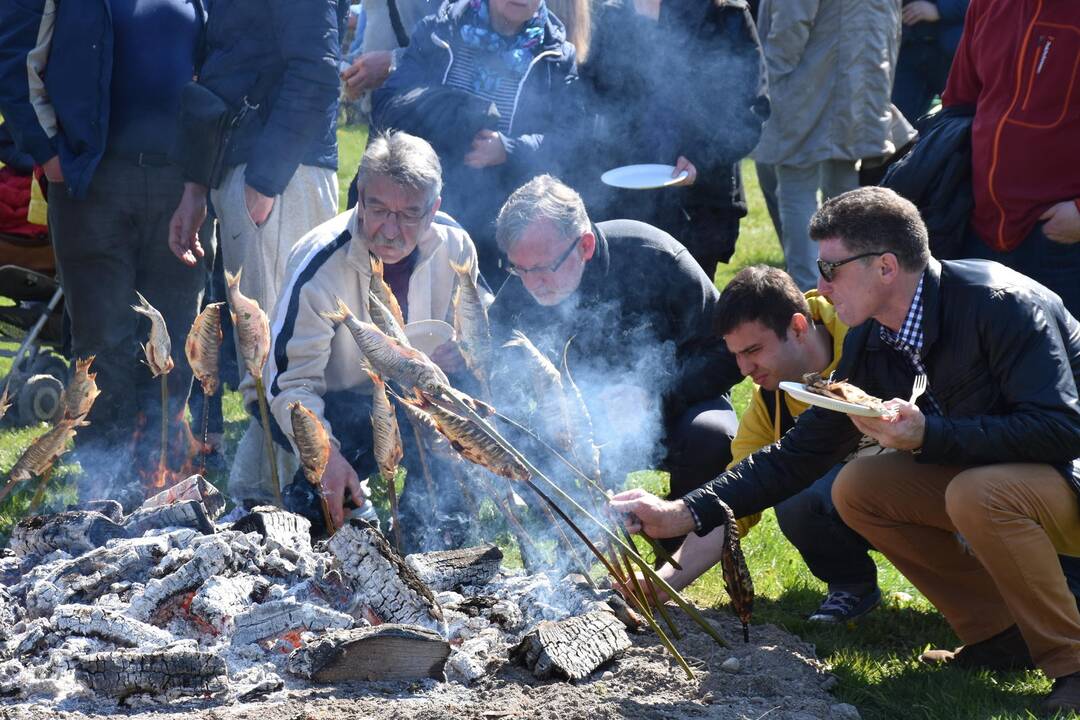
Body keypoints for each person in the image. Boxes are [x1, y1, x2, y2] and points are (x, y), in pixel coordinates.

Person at [611, 186, 1080, 715]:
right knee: (859, 489)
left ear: (885, 267)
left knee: (976, 491)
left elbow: (1061, 429)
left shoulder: (999, 303)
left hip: (1064, 475)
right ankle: (1000, 633)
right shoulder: (872, 336)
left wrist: (931, 436)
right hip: (1009, 479)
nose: (819, 286)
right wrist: (683, 512)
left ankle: (1072, 663)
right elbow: (798, 454)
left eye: (830, 269)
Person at [0, 0, 208, 504]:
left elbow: (219, 70)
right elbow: (12, 60)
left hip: (178, 186)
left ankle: (161, 488)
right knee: (104, 350)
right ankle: (104, 493)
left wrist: (199, 180)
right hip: (91, 184)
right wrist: (49, 156)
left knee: (175, 346)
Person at [267, 131, 485, 548]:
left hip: (418, 396)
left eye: (408, 214)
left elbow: (473, 332)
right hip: (336, 403)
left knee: (445, 522)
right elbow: (291, 384)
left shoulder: (456, 246)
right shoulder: (320, 264)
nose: (390, 228)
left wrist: (463, 352)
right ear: (360, 197)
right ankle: (325, 499)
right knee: (316, 519)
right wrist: (326, 457)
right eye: (379, 209)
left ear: (433, 209)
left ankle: (430, 531)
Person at [488, 175, 743, 525]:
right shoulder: (526, 278)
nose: (533, 283)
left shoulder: (654, 257)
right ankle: (572, 550)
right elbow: (493, 358)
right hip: (574, 422)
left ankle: (678, 542)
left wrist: (654, 393)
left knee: (713, 435)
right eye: (520, 269)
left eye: (545, 268)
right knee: (529, 441)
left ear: (586, 246)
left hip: (674, 408)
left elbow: (729, 352)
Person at [168, 0, 344, 506]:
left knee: (282, 350)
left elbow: (315, 70)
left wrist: (267, 176)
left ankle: (287, 494)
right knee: (261, 353)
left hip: (278, 174)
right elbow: (225, 68)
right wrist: (199, 185)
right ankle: (274, 490)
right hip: (250, 169)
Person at [707, 266, 882, 623]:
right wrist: (668, 576)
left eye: (753, 350)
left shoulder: (867, 341)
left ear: (798, 328)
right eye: (736, 354)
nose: (743, 369)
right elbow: (736, 500)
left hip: (918, 484)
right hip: (858, 500)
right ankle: (851, 585)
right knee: (796, 499)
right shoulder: (770, 401)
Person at [371, 0, 581, 282]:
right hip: (414, 209)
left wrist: (509, 149)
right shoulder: (440, 31)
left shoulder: (556, 55)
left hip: (496, 223)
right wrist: (453, 114)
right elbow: (387, 104)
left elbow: (569, 139)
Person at [575, 0, 768, 280]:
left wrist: (700, 160)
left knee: (690, 313)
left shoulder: (726, 15)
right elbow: (589, 96)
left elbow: (750, 111)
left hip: (698, 204)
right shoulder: (609, 14)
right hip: (624, 197)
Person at [752, 0, 916, 291]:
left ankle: (809, 290)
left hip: (809, 81)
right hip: (857, 80)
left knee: (796, 184)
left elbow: (792, 21)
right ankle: (850, 285)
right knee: (843, 185)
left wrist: (769, 73)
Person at [943, 0, 1080, 319]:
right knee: (980, 363)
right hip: (978, 231)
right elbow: (958, 103)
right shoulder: (987, 5)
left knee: (1066, 365)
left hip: (1060, 240)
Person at [891, 0, 969, 122]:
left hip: (953, 52)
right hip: (908, 46)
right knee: (900, 127)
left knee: (960, 120)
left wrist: (940, 10)